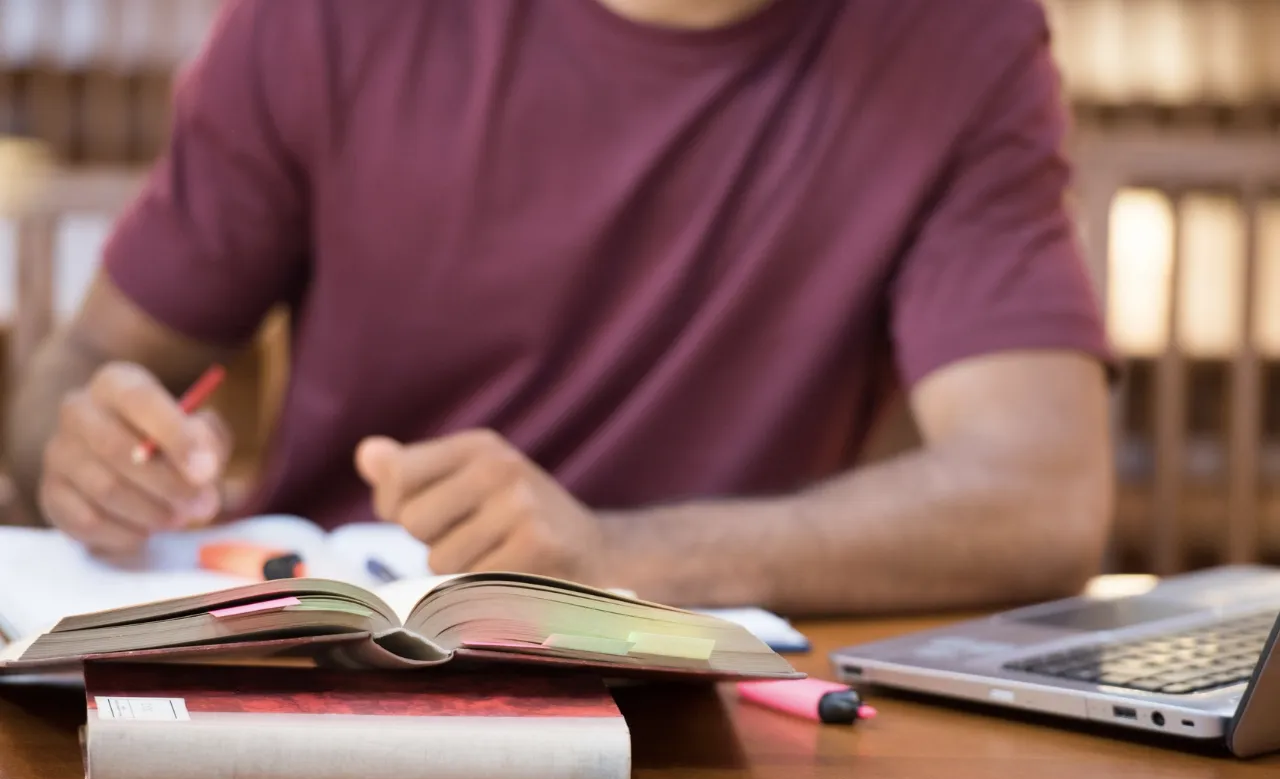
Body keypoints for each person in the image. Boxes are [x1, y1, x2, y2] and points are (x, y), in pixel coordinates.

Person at [6, 0, 1114, 615]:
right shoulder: (329, 19)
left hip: (716, 711)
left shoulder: (957, 39)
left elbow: (1039, 496)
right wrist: (88, 451)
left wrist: (615, 555)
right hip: (325, 655)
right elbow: (90, 357)